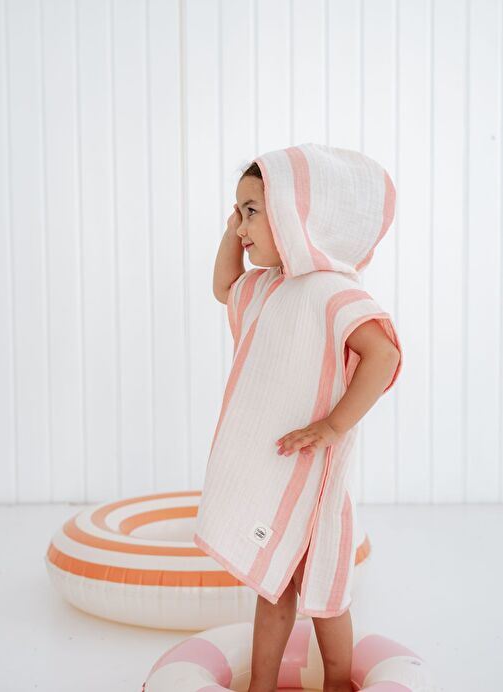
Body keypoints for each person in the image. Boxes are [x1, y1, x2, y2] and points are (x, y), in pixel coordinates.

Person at [193, 143, 403, 692]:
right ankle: (261, 684)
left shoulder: (332, 292)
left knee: (326, 593)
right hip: (277, 470)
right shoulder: (266, 286)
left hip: (317, 475)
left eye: (253, 212)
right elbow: (223, 287)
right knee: (273, 586)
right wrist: (232, 228)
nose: (242, 226)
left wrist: (334, 425)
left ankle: (337, 681)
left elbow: (383, 354)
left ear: (295, 217)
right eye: (238, 212)